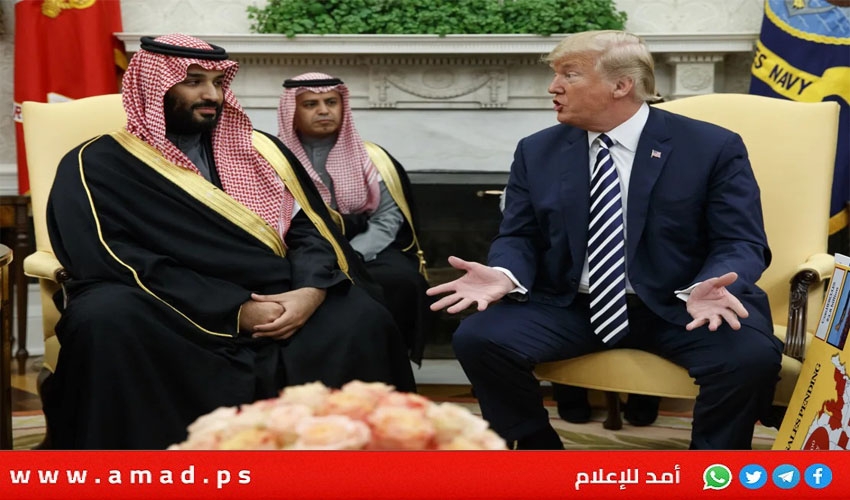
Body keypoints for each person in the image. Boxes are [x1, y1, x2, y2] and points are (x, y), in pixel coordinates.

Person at [43, 34, 415, 450]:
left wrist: (310, 291)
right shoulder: (96, 162)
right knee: (105, 319)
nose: (212, 95)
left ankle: (347, 468)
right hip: (164, 301)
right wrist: (236, 310)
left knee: (363, 318)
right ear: (153, 85)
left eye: (219, 82)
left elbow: (311, 230)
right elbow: (110, 256)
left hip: (276, 290)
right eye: (194, 81)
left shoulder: (261, 152)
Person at [428, 30, 783, 450]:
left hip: (681, 304)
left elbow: (740, 241)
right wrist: (505, 273)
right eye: (555, 75)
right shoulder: (536, 151)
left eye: (569, 74)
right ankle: (538, 455)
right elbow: (520, 234)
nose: (553, 87)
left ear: (621, 85)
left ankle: (711, 469)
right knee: (478, 339)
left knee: (749, 357)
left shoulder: (711, 146)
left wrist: (709, 283)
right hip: (572, 304)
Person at [277, 72, 434, 365]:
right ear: (291, 111)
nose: (323, 110)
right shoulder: (272, 158)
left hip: (363, 246)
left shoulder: (372, 158)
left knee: (402, 280)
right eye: (310, 104)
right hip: (294, 248)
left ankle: (389, 362)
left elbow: (387, 218)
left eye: (331, 102)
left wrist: (353, 255)